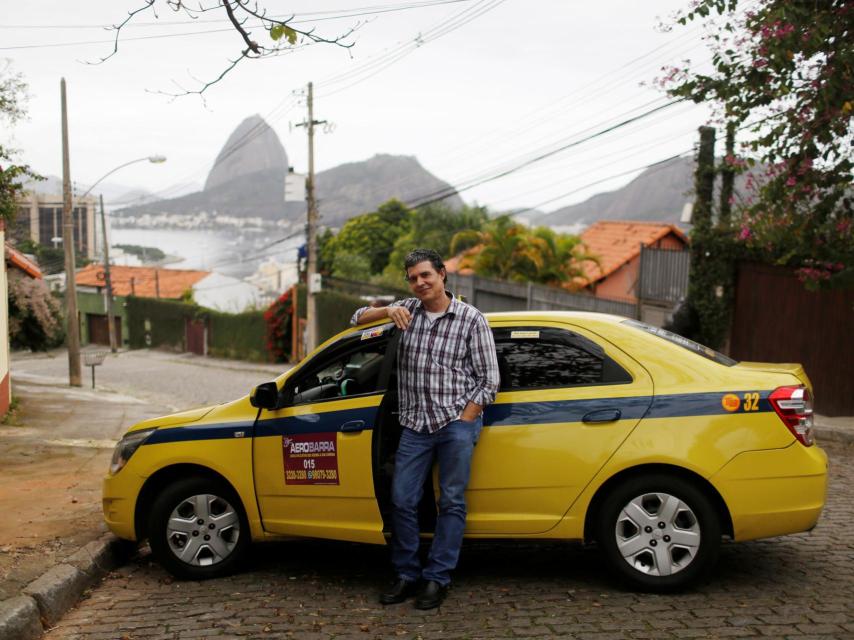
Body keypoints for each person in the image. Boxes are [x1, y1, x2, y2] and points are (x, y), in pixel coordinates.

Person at [351, 248, 500, 610]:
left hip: (455, 424)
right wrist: (387, 310)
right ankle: (407, 574)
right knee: (402, 500)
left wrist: (466, 418)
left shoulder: (471, 320)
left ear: (442, 274)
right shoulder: (406, 310)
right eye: (413, 278)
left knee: (451, 502)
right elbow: (356, 318)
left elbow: (489, 380)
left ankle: (437, 578)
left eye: (425, 275)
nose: (419, 283)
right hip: (415, 424)